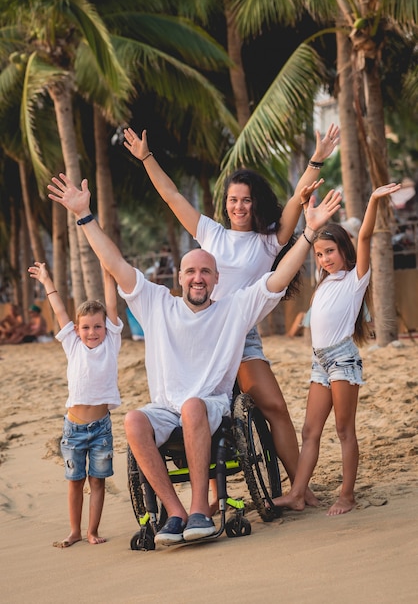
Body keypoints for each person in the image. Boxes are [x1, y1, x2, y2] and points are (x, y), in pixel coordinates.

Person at [47, 172, 341, 545]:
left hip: (208, 405)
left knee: (192, 406)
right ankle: (176, 512)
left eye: (205, 271)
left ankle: (201, 508)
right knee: (135, 420)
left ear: (217, 279)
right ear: (179, 277)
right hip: (167, 408)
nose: (197, 278)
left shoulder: (233, 309)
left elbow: (279, 278)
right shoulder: (156, 303)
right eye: (190, 271)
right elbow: (115, 261)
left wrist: (309, 234)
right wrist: (84, 216)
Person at [123, 124, 340, 509]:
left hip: (240, 335)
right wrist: (146, 158)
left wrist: (317, 157)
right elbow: (172, 197)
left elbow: (296, 200)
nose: (238, 206)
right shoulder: (212, 234)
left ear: (256, 204)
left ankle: (299, 489)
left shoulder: (269, 240)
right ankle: (201, 501)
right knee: (196, 410)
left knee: (274, 406)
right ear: (225, 203)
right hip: (197, 339)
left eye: (246, 200)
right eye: (233, 199)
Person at [271, 183, 401, 516]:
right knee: (310, 430)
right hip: (320, 364)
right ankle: (298, 493)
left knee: (344, 430)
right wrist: (305, 208)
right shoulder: (325, 282)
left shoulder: (355, 278)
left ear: (343, 250)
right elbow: (309, 234)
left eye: (330, 252)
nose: (325, 259)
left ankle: (347, 495)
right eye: (320, 254)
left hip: (343, 360)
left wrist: (371, 199)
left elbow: (366, 237)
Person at [28, 261, 123, 547]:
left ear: (106, 327)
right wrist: (47, 281)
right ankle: (74, 531)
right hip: (73, 430)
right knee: (75, 481)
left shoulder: (112, 343)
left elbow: (112, 305)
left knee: (98, 482)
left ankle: (92, 531)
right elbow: (59, 310)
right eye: (86, 327)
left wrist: (108, 274)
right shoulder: (72, 344)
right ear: (77, 329)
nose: (92, 332)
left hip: (101, 429)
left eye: (97, 326)